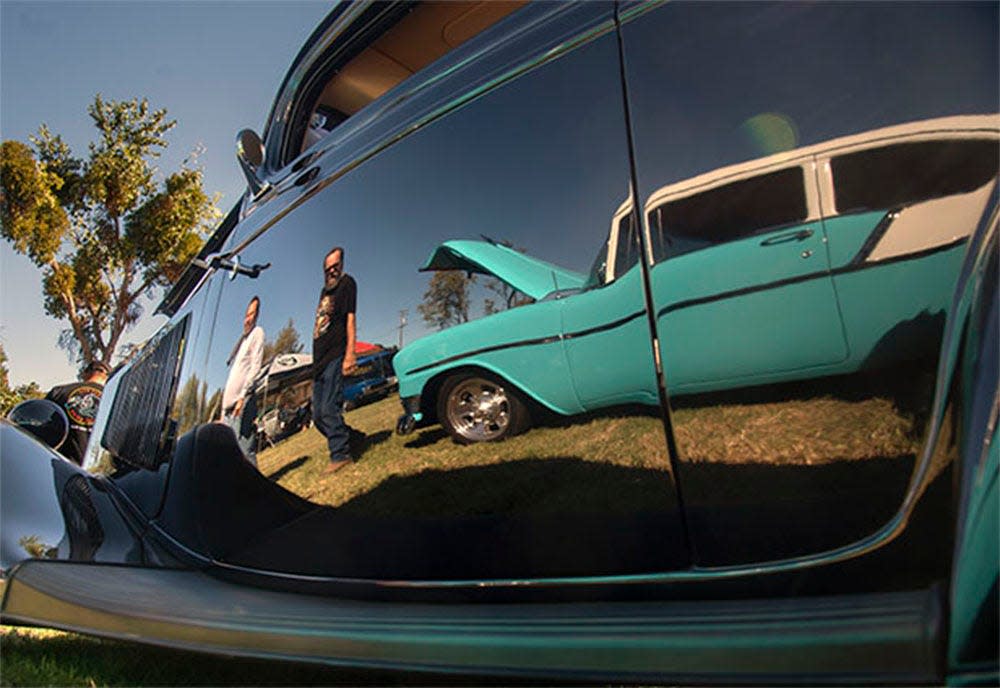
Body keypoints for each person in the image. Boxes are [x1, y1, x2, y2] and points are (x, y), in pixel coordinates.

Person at [312, 246, 357, 472]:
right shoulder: (323, 292)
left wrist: (350, 354)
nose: (331, 271)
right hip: (318, 362)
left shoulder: (347, 283)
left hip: (335, 355)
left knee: (330, 408)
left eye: (335, 266)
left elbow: (350, 319)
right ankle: (353, 438)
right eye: (327, 268)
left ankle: (340, 455)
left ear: (342, 266)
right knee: (317, 416)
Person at [222, 296, 265, 467]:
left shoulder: (257, 333)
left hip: (242, 402)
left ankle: (256, 490)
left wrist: (242, 397)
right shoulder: (242, 342)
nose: (249, 318)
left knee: (245, 450)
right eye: (247, 314)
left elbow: (255, 367)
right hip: (230, 408)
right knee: (232, 455)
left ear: (257, 315)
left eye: (253, 314)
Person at [45, 360, 109, 465]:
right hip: (95, 471)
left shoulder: (59, 391)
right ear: (106, 378)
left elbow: (43, 425)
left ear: (85, 373)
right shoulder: (114, 401)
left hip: (58, 464)